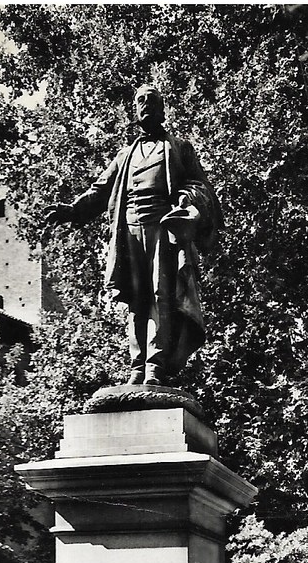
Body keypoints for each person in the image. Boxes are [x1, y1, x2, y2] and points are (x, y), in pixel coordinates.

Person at [42, 83, 220, 388]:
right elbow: (99, 191)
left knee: (161, 296)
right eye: (141, 100)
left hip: (163, 230)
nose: (146, 105)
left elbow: (202, 187)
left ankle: (155, 366)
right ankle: (137, 365)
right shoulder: (125, 155)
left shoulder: (179, 148)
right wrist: (72, 211)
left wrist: (187, 202)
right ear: (134, 109)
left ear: (163, 110)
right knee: (137, 301)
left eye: (153, 100)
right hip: (129, 232)